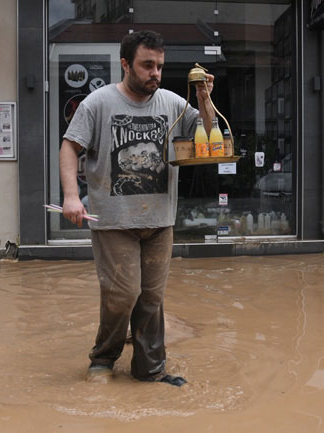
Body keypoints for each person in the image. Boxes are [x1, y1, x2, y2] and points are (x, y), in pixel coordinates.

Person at [60, 30, 216, 386]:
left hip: (159, 220)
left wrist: (205, 98)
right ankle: (103, 358)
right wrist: (71, 196)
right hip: (114, 221)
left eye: (160, 66)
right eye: (147, 65)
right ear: (126, 64)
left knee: (151, 297)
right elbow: (70, 148)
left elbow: (206, 131)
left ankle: (150, 369)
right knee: (123, 293)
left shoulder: (173, 103)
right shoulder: (97, 104)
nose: (155, 73)